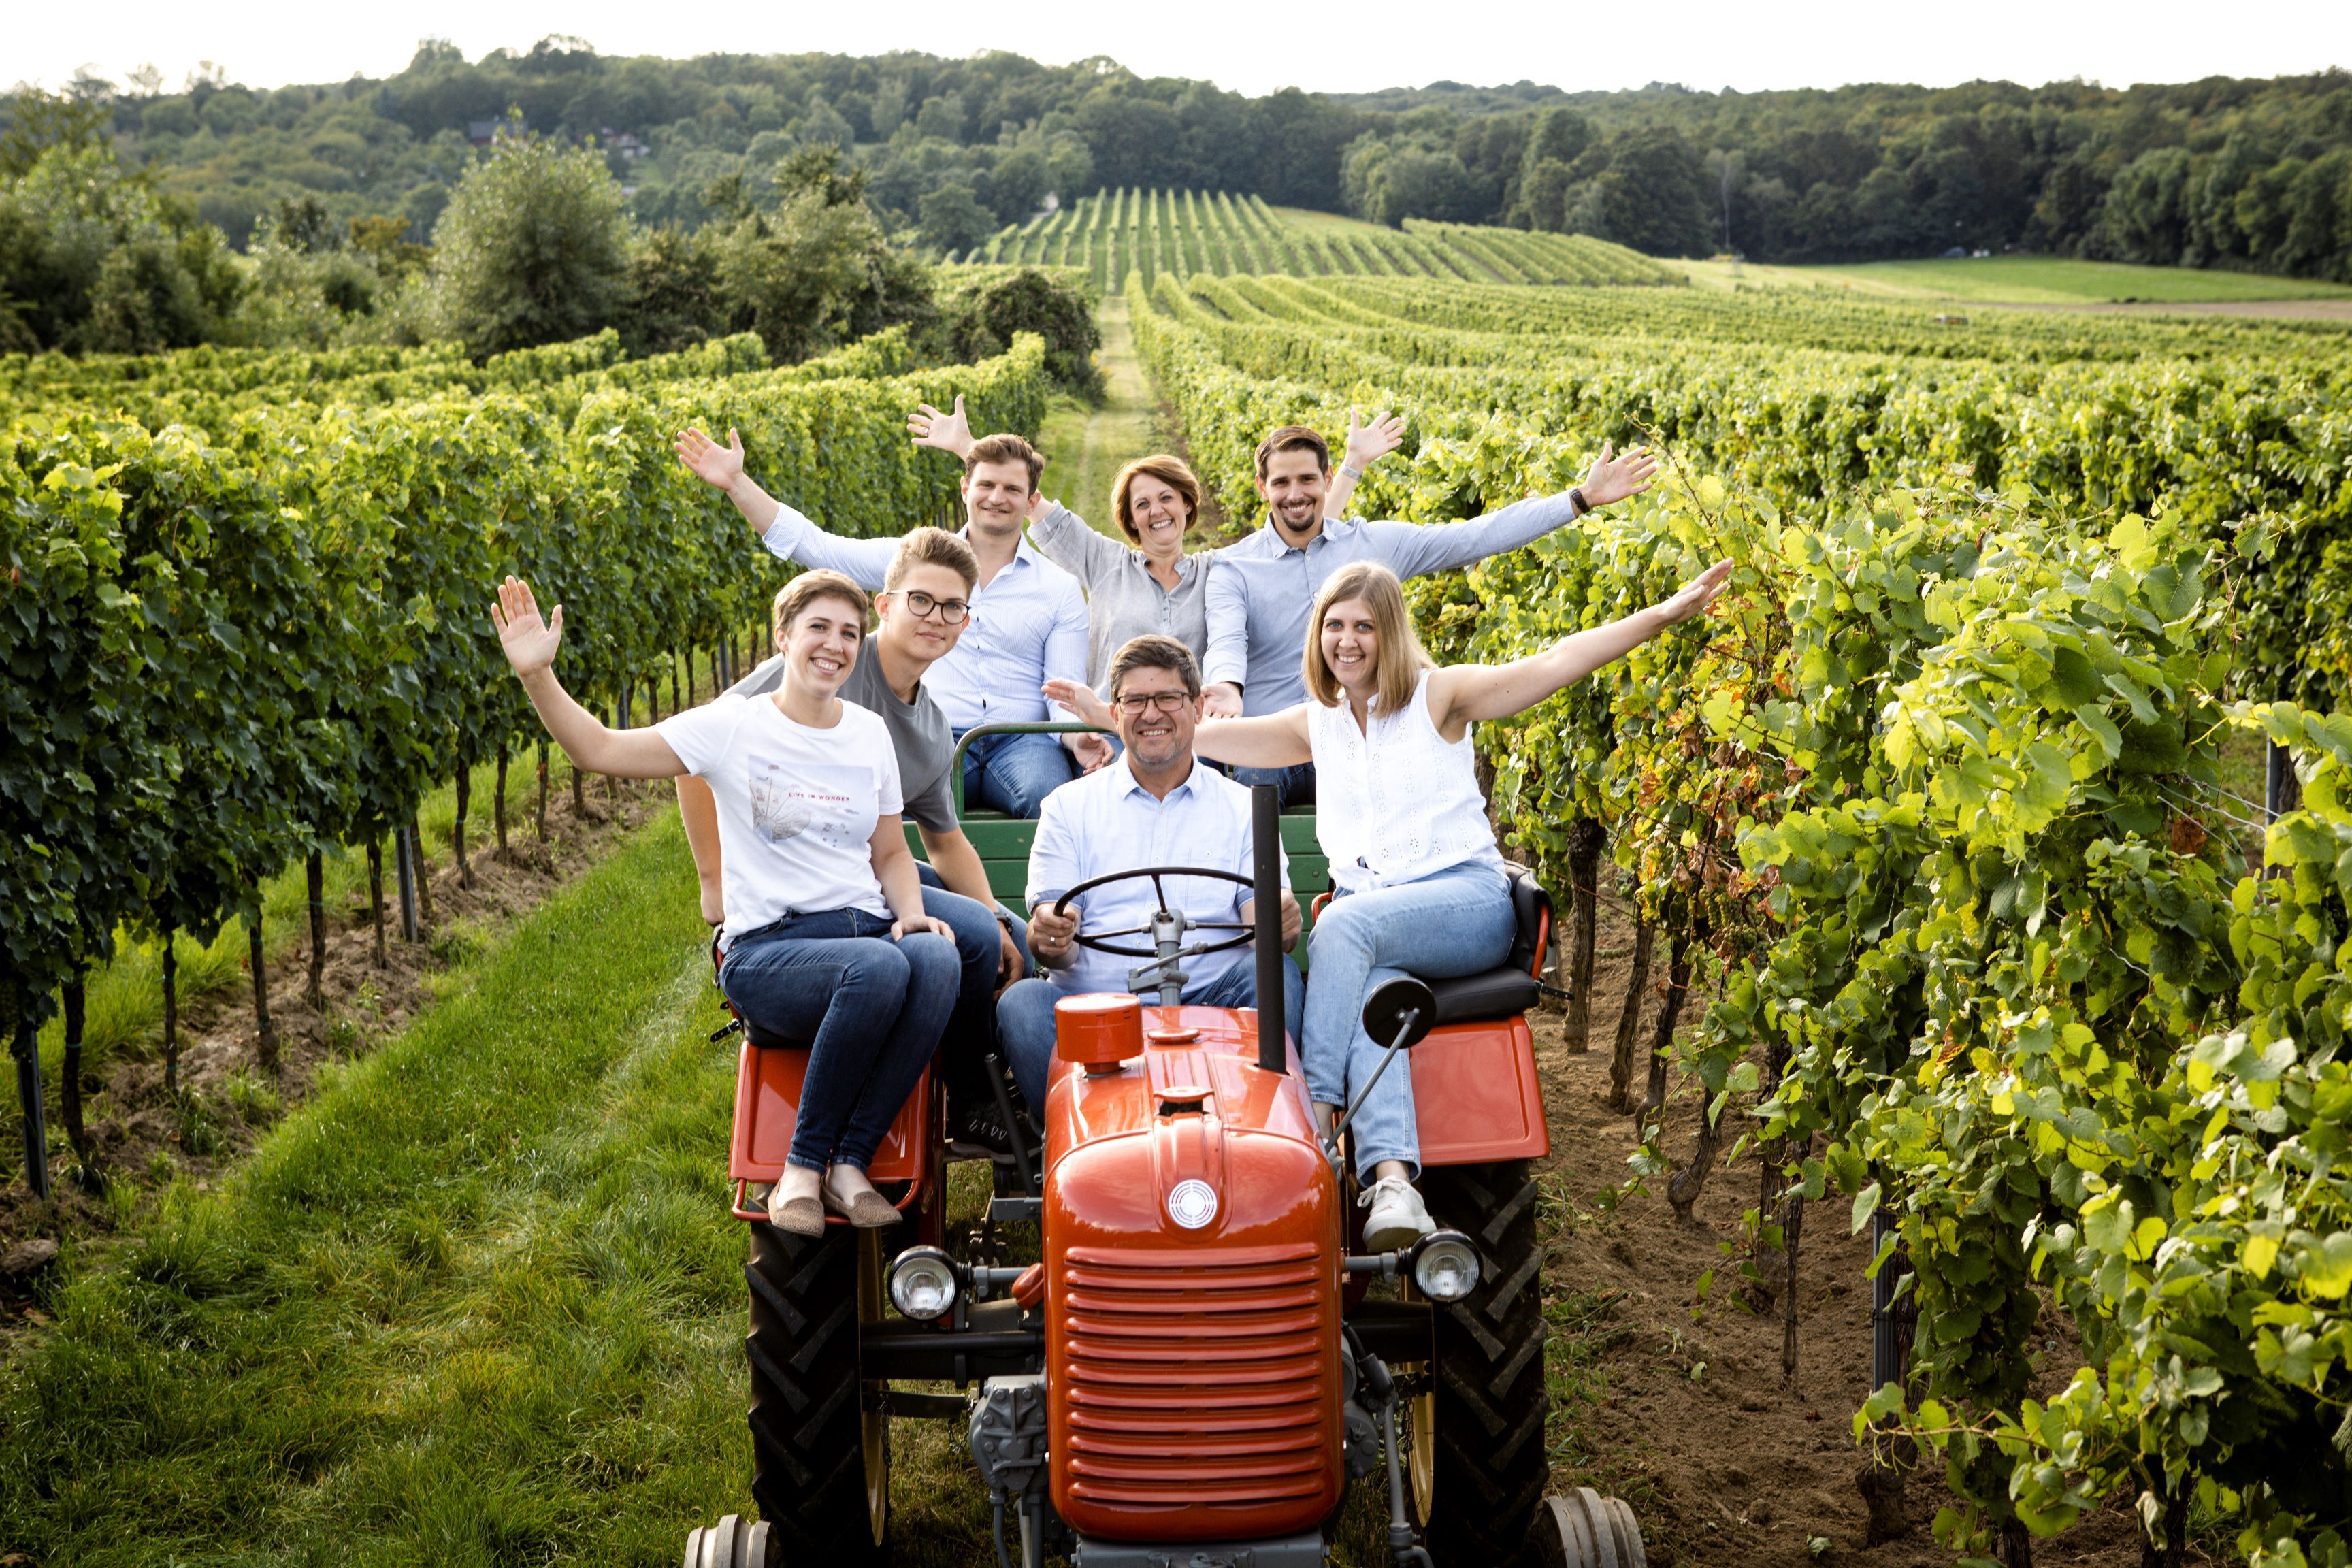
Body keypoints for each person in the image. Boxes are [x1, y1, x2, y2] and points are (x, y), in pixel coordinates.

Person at [1054, 557, 1731, 1250]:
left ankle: (1313, 1122)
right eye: (1335, 626)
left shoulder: (1440, 698)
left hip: (1461, 902)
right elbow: (1188, 736)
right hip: (1378, 927)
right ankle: (1394, 1178)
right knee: (1377, 997)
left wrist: (1660, 617)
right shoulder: (1316, 723)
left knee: (1341, 927)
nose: (1347, 641)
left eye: (1365, 627)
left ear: (1392, 634)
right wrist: (1105, 715)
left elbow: (1555, 661)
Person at [491, 567, 961, 1238]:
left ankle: (850, 1160)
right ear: (783, 636)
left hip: (863, 925)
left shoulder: (867, 733)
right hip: (773, 950)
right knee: (881, 969)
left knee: (939, 958)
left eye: (851, 633)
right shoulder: (731, 726)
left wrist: (911, 911)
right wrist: (538, 675)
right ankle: (801, 1167)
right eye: (818, 627)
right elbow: (597, 749)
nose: (835, 645)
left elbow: (890, 853)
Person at [675, 526, 1029, 1162]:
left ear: (965, 622)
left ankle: (999, 1084)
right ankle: (969, 1095)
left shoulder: (929, 727)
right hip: (812, 885)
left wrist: (1003, 919)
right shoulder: (829, 656)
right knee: (970, 939)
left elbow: (944, 844)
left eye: (951, 608)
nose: (935, 618)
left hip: (879, 872)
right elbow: (692, 752)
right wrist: (713, 878)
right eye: (920, 600)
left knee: (1007, 938)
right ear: (885, 605)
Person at [1200, 425, 1661, 809]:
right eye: (1281, 483)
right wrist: (1224, 687)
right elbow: (1226, 640)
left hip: (1361, 739)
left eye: (1306, 480)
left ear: (1326, 478)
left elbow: (1475, 537)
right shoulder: (1233, 566)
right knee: (1250, 793)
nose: (1295, 494)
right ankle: (1256, 913)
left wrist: (1578, 499)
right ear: (1263, 487)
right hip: (1273, 745)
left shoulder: (1373, 544)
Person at [675, 423, 1108, 818]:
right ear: (964, 489)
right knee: (881, 808)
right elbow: (817, 547)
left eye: (1012, 489)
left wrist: (1074, 739)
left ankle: (1044, 905)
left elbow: (1063, 693)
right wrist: (736, 483)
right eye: (987, 485)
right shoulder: (912, 560)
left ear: (1032, 502)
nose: (997, 498)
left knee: (1052, 802)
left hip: (1021, 739)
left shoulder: (1060, 589)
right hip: (925, 734)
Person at [906, 395, 1401, 689]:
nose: (1156, 511)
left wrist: (1351, 469)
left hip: (1191, 739)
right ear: (1129, 517)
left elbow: (1306, 540)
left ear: (1188, 505)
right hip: (1113, 731)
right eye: (1142, 504)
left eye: (1166, 498)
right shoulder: (1104, 563)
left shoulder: (1221, 570)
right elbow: (1023, 498)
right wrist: (968, 452)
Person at [1001, 635, 1304, 1116]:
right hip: (1098, 1005)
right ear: (1115, 713)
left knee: (1274, 972)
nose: (1152, 714)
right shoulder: (1068, 806)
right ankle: (1071, 1144)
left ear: (1199, 706)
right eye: (1135, 701)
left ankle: (1259, 1123)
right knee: (1022, 1004)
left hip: (1213, 997)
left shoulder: (1242, 806)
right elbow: (1054, 935)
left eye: (1167, 698)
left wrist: (1279, 922)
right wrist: (1050, 935)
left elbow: (1262, 928)